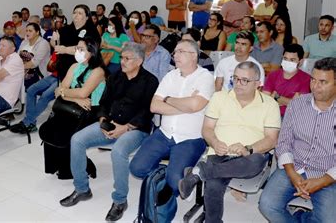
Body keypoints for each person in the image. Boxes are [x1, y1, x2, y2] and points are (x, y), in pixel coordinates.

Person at [59, 42, 159, 222]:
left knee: (119, 150)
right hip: (111, 123)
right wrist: (103, 120)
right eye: (122, 58)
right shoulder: (115, 77)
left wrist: (126, 127)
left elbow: (147, 111)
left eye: (127, 58)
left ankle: (120, 201)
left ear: (139, 61)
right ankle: (82, 189)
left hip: (135, 129)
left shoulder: (150, 81)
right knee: (77, 140)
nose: (122, 61)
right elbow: (104, 102)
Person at [179, 61, 281, 223]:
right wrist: (214, 142)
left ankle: (200, 172)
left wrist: (248, 148)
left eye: (244, 80)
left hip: (249, 157)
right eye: (235, 78)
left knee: (254, 161)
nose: (238, 84)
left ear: (257, 83)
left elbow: (271, 139)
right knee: (213, 184)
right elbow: (207, 129)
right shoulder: (219, 97)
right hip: (219, 152)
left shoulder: (270, 104)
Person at [130, 39, 214, 220]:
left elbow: (196, 104)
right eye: (174, 52)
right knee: (137, 168)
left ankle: (172, 185)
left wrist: (168, 99)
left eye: (180, 52)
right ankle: (166, 177)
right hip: (164, 133)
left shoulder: (205, 77)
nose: (174, 55)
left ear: (193, 55)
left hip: (191, 138)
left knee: (176, 185)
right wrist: (185, 106)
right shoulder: (170, 76)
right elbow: (154, 106)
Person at [259, 57, 335, 223]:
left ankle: (302, 217)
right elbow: (284, 141)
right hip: (294, 167)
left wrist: (323, 181)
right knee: (267, 205)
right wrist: (292, 173)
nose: (315, 86)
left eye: (323, 82)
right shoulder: (297, 104)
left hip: (328, 174)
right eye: (313, 80)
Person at [43, 37, 106, 179]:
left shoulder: (98, 71)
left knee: (68, 132)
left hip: (91, 110)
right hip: (74, 106)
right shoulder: (74, 67)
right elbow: (58, 90)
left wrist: (69, 94)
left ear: (92, 52)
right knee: (53, 126)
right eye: (77, 48)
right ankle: (57, 166)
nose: (77, 51)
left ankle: (83, 166)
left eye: (81, 49)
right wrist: (75, 98)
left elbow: (83, 93)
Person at [51, 4, 101, 81]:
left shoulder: (92, 31)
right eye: (74, 12)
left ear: (87, 17)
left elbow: (86, 49)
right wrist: (55, 40)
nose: (76, 15)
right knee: (62, 91)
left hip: (82, 68)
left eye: (80, 13)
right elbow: (55, 45)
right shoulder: (65, 29)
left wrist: (65, 50)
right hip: (64, 66)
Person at [263, 44, 311, 117]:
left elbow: (299, 105)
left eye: (292, 60)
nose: (287, 62)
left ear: (300, 61)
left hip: (293, 117)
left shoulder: (306, 78)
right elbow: (266, 99)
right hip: (271, 115)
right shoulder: (272, 75)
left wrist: (276, 97)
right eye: (285, 59)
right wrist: (290, 101)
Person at [17, 53, 58, 134]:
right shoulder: (57, 51)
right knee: (31, 90)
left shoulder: (74, 52)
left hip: (64, 80)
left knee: (45, 96)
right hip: (53, 76)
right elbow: (50, 68)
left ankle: (27, 121)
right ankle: (30, 122)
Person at [19, 23, 51, 89]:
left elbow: (34, 64)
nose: (27, 33)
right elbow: (17, 58)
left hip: (37, 75)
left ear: (37, 32)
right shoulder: (24, 42)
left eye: (30, 31)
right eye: (26, 31)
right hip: (22, 71)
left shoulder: (43, 44)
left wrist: (16, 69)